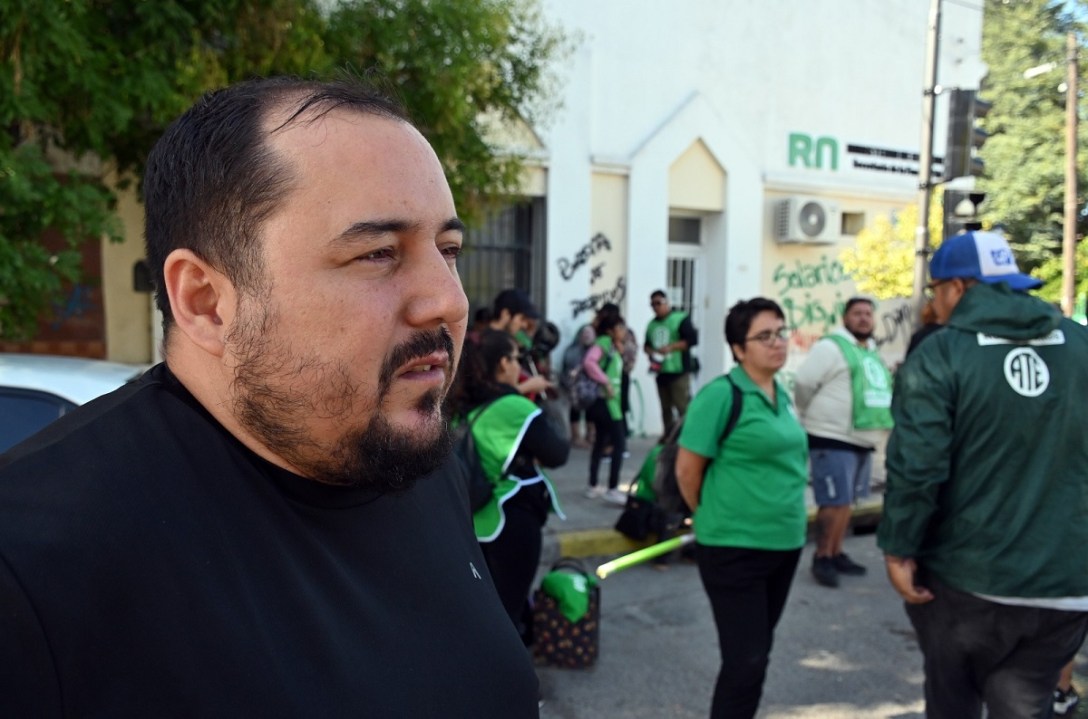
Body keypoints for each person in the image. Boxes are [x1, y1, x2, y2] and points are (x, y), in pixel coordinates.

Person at [0, 76, 539, 716]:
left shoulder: (420, 462)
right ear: (206, 301)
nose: (449, 300)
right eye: (377, 253)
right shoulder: (31, 569)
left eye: (448, 250)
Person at [877, 230, 1088, 718]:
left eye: (935, 291)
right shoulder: (1080, 345)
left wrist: (899, 549)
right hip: (1066, 584)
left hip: (968, 579)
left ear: (958, 287)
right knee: (1026, 705)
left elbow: (917, 466)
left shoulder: (942, 353)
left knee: (953, 704)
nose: (934, 304)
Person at [675, 297, 808, 719]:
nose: (777, 342)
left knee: (758, 653)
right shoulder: (721, 395)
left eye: (780, 332)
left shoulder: (781, 394)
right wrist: (709, 514)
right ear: (738, 348)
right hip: (733, 548)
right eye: (764, 336)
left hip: (784, 543)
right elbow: (687, 471)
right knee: (745, 661)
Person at [448, 329, 569, 645]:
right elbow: (558, 452)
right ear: (503, 363)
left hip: (474, 524)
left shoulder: (462, 408)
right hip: (511, 522)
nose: (519, 365)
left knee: (484, 612)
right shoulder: (513, 408)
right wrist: (542, 398)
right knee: (508, 616)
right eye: (515, 358)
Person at [794, 297, 893, 588]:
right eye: (857, 313)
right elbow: (804, 383)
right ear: (845, 318)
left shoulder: (870, 351)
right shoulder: (830, 347)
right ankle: (822, 557)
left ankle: (836, 552)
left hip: (862, 437)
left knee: (846, 502)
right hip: (832, 435)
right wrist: (809, 414)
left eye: (868, 314)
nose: (863, 318)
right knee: (833, 501)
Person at [582, 313, 628, 505]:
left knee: (600, 442)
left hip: (610, 402)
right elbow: (589, 362)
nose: (623, 331)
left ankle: (593, 484)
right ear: (610, 330)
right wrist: (605, 381)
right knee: (619, 444)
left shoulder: (612, 346)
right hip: (608, 404)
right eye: (620, 328)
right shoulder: (603, 343)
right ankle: (612, 487)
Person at [643, 290, 698, 436]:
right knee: (665, 408)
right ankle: (669, 436)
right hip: (660, 370)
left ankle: (689, 435)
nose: (655, 307)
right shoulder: (651, 324)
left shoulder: (680, 318)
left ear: (667, 303)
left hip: (678, 370)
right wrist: (651, 352)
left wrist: (671, 347)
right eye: (652, 304)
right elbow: (646, 345)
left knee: (682, 405)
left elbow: (692, 340)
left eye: (658, 303)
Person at [561, 324, 597, 447]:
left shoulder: (594, 350)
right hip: (575, 386)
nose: (587, 337)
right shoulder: (573, 350)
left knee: (591, 411)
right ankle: (576, 437)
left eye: (590, 334)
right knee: (575, 410)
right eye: (585, 334)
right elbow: (568, 367)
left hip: (591, 386)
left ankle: (590, 436)